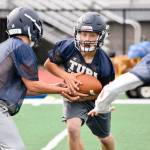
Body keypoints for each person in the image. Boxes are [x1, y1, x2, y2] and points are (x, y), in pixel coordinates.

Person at [0, 7, 69, 150]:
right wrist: (60, 90)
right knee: (15, 148)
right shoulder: (21, 47)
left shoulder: (6, 46)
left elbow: (24, 89)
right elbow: (32, 85)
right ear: (30, 25)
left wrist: (56, 87)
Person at [44, 12, 115, 150]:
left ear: (101, 37)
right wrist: (66, 76)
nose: (87, 38)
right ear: (77, 33)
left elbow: (106, 90)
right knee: (73, 129)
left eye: (93, 35)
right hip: (73, 96)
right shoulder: (67, 46)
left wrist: (100, 102)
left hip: (96, 101)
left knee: (104, 137)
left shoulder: (105, 64)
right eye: (83, 34)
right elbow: (49, 64)